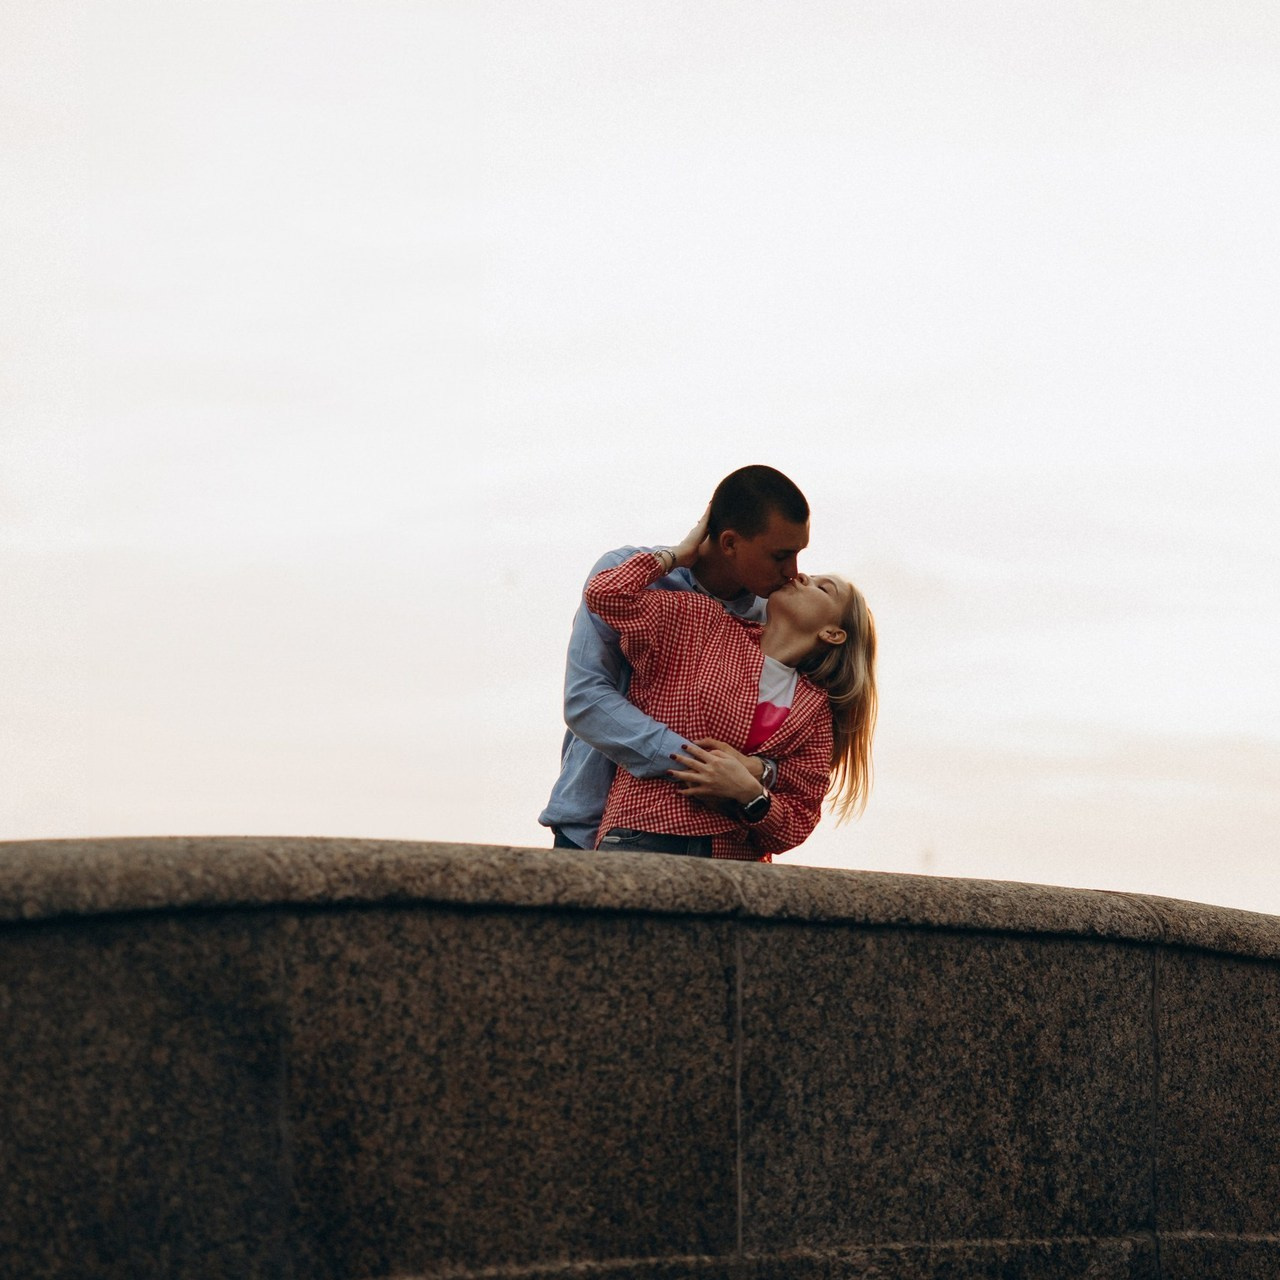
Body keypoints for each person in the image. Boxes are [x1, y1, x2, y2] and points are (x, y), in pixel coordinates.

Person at [539, 465, 811, 851]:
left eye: (799, 554)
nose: (793, 572)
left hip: (719, 842)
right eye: (781, 555)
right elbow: (586, 700)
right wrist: (701, 766)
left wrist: (758, 773)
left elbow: (789, 736)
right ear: (730, 543)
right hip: (591, 823)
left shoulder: (781, 616)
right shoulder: (630, 578)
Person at [585, 508, 876, 860]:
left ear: (832, 633)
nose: (800, 576)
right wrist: (677, 555)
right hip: (643, 834)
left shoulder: (814, 711)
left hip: (734, 861)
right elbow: (605, 594)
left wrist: (749, 795)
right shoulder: (700, 620)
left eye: (821, 587)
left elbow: (799, 820)